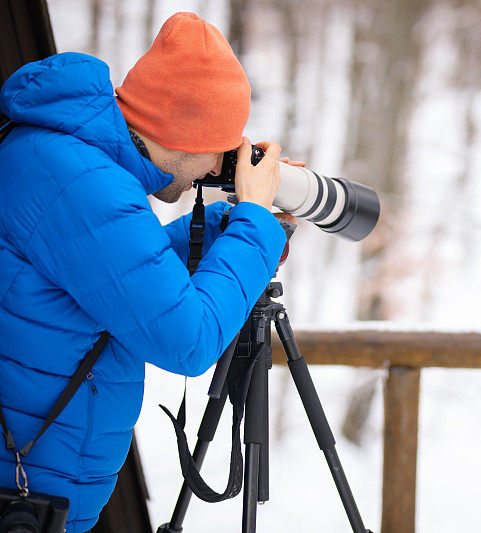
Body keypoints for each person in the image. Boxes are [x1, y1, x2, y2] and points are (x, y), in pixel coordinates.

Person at [0, 12, 300, 533]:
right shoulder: (86, 185)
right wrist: (252, 227)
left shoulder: (70, 160)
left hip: (34, 487)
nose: (215, 170)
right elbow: (188, 340)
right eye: (218, 151)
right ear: (184, 132)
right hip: (26, 495)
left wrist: (231, 225)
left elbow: (112, 275)